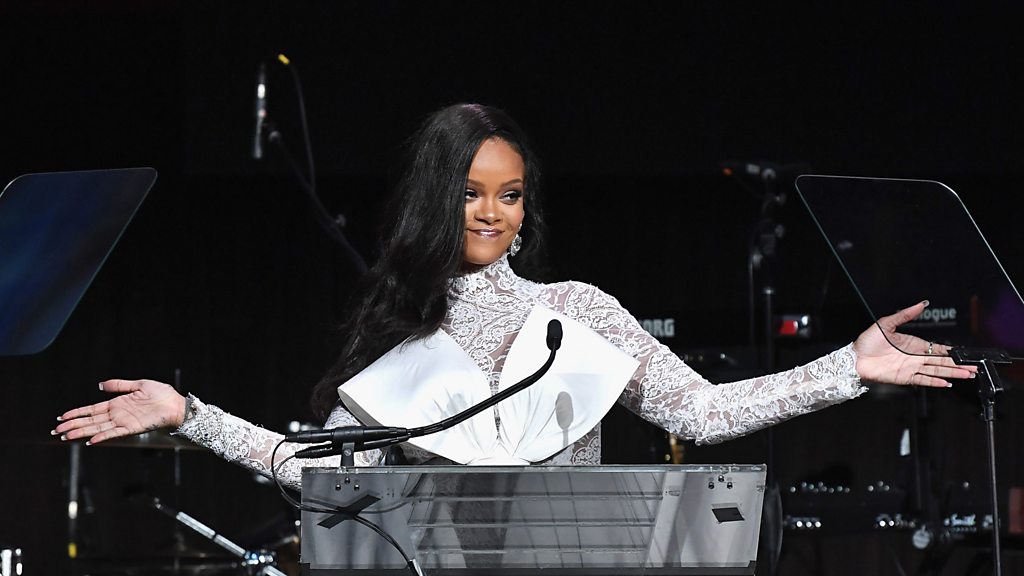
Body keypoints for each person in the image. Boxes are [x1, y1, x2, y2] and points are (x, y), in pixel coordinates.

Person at [53, 103, 976, 489]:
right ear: (435, 200)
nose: (493, 213)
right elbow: (321, 475)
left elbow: (701, 412)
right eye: (470, 193)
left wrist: (848, 369)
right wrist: (189, 416)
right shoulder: (398, 341)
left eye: (510, 193)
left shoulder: (576, 310)